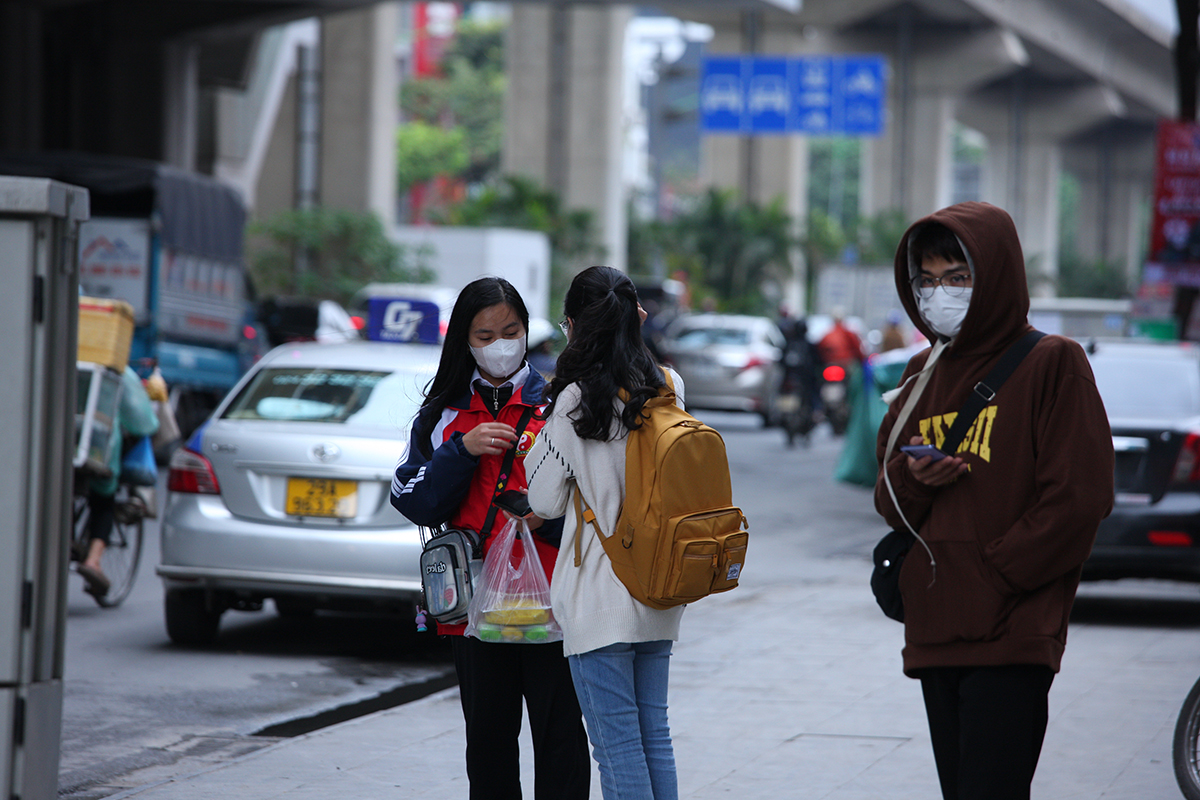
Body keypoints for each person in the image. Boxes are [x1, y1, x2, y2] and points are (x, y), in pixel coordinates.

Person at [873, 201, 1114, 800]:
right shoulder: (921, 370)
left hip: (1012, 629)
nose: (939, 294)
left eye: (957, 278)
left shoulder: (1053, 364)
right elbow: (887, 498)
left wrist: (994, 573)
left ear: (996, 276)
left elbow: (1079, 498)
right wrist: (914, 482)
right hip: (935, 626)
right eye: (927, 281)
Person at [389, 276, 590, 800]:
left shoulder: (559, 405)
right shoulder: (443, 415)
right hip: (477, 610)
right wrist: (463, 448)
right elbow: (413, 498)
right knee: (488, 746)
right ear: (464, 340)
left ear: (527, 332)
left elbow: (602, 507)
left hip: (557, 607)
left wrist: (544, 522)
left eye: (510, 330)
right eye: (483, 335)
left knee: (562, 745)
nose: (499, 344)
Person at [526, 265, 685, 800]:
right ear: (633, 317)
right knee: (653, 736)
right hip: (659, 584)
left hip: (599, 589)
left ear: (573, 326)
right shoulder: (667, 384)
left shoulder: (573, 400)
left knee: (617, 749)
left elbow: (543, 499)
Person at [79, 365, 159, 602]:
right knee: (103, 501)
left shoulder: (61, 354)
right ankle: (93, 560)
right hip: (98, 451)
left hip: (60, 444)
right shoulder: (120, 373)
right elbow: (144, 424)